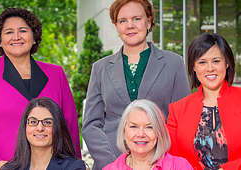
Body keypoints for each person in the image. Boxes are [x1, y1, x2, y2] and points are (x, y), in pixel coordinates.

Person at [81, 0, 190, 169]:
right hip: (111, 162)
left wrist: (162, 161)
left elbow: (183, 121)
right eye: (122, 21)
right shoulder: (100, 68)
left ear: (149, 20)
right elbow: (91, 125)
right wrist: (114, 163)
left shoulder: (173, 63)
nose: (130, 25)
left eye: (136, 19)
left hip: (159, 162)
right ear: (116, 26)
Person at [0, 8, 80, 170]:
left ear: (34, 37)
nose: (16, 37)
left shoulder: (55, 74)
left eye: (23, 30)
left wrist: (75, 164)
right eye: (9, 32)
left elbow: (69, 125)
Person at [167, 33, 241, 170]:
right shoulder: (177, 110)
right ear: (194, 67)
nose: (210, 68)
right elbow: (173, 160)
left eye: (216, 61)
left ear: (227, 63)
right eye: (202, 62)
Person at [102, 99, 193, 170]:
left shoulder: (180, 167)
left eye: (149, 127)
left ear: (159, 133)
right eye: (134, 127)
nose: (141, 134)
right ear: (124, 133)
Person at [1, 97, 86, 170]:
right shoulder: (9, 168)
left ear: (58, 127)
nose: (40, 128)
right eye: (33, 122)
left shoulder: (73, 167)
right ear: (25, 126)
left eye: (47, 122)